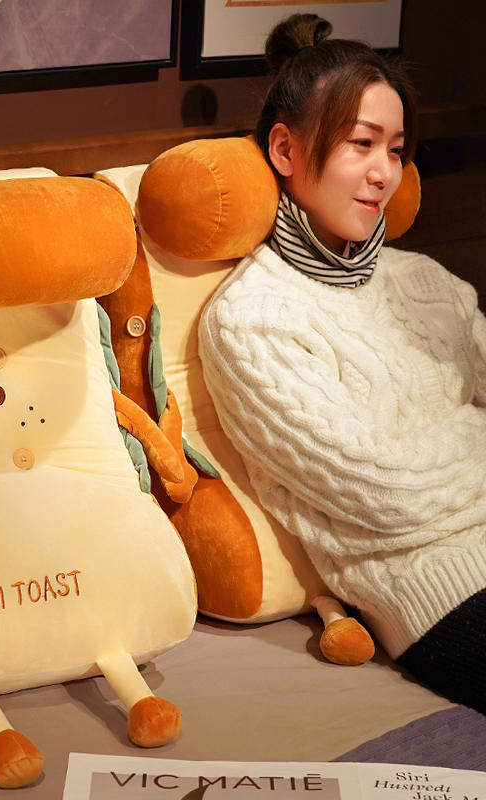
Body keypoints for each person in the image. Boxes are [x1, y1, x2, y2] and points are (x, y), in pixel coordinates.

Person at [198, 13, 486, 713]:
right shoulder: (252, 319)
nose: (385, 173)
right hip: (443, 594)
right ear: (285, 149)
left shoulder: (429, 282)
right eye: (362, 144)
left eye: (396, 149)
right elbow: (385, 492)